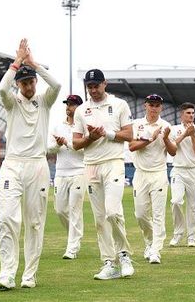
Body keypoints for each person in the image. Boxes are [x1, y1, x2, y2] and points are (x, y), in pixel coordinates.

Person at [0, 39, 61, 290]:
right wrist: (17, 63)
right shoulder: (12, 102)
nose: (29, 86)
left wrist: (34, 64)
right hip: (12, 164)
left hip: (37, 165)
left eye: (31, 81)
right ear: (18, 84)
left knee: (35, 222)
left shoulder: (44, 101)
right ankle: (6, 274)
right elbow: (2, 90)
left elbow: (57, 84)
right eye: (24, 82)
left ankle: (29, 274)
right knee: (7, 219)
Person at [72, 69, 134, 280]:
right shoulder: (82, 110)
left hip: (113, 162)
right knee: (100, 219)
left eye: (96, 85)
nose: (93, 90)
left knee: (112, 212)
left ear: (104, 84)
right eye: (90, 86)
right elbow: (76, 143)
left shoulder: (119, 105)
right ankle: (109, 262)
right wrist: (91, 137)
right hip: (91, 165)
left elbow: (129, 135)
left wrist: (105, 133)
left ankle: (124, 255)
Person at [128, 94, 173, 264]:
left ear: (161, 108)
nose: (154, 108)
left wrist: (166, 138)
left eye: (157, 105)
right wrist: (151, 138)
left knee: (159, 214)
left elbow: (173, 151)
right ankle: (149, 242)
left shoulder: (166, 126)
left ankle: (155, 250)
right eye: (151, 105)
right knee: (140, 214)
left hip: (159, 173)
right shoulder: (136, 125)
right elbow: (132, 146)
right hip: (140, 174)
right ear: (145, 106)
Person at [47, 94, 86, 260]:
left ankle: (72, 247)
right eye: (68, 104)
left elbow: (87, 150)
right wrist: (58, 143)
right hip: (61, 173)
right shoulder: (57, 126)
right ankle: (75, 236)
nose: (69, 107)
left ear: (79, 108)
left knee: (74, 210)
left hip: (79, 172)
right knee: (60, 210)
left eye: (72, 104)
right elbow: (49, 150)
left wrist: (68, 143)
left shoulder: (84, 128)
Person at [166, 102, 195, 247]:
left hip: (194, 170)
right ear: (181, 114)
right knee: (176, 201)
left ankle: (191, 237)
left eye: (192, 113)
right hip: (178, 169)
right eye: (188, 113)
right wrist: (185, 134)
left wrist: (193, 135)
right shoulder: (173, 129)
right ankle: (177, 234)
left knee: (193, 205)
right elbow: (172, 147)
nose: (191, 115)